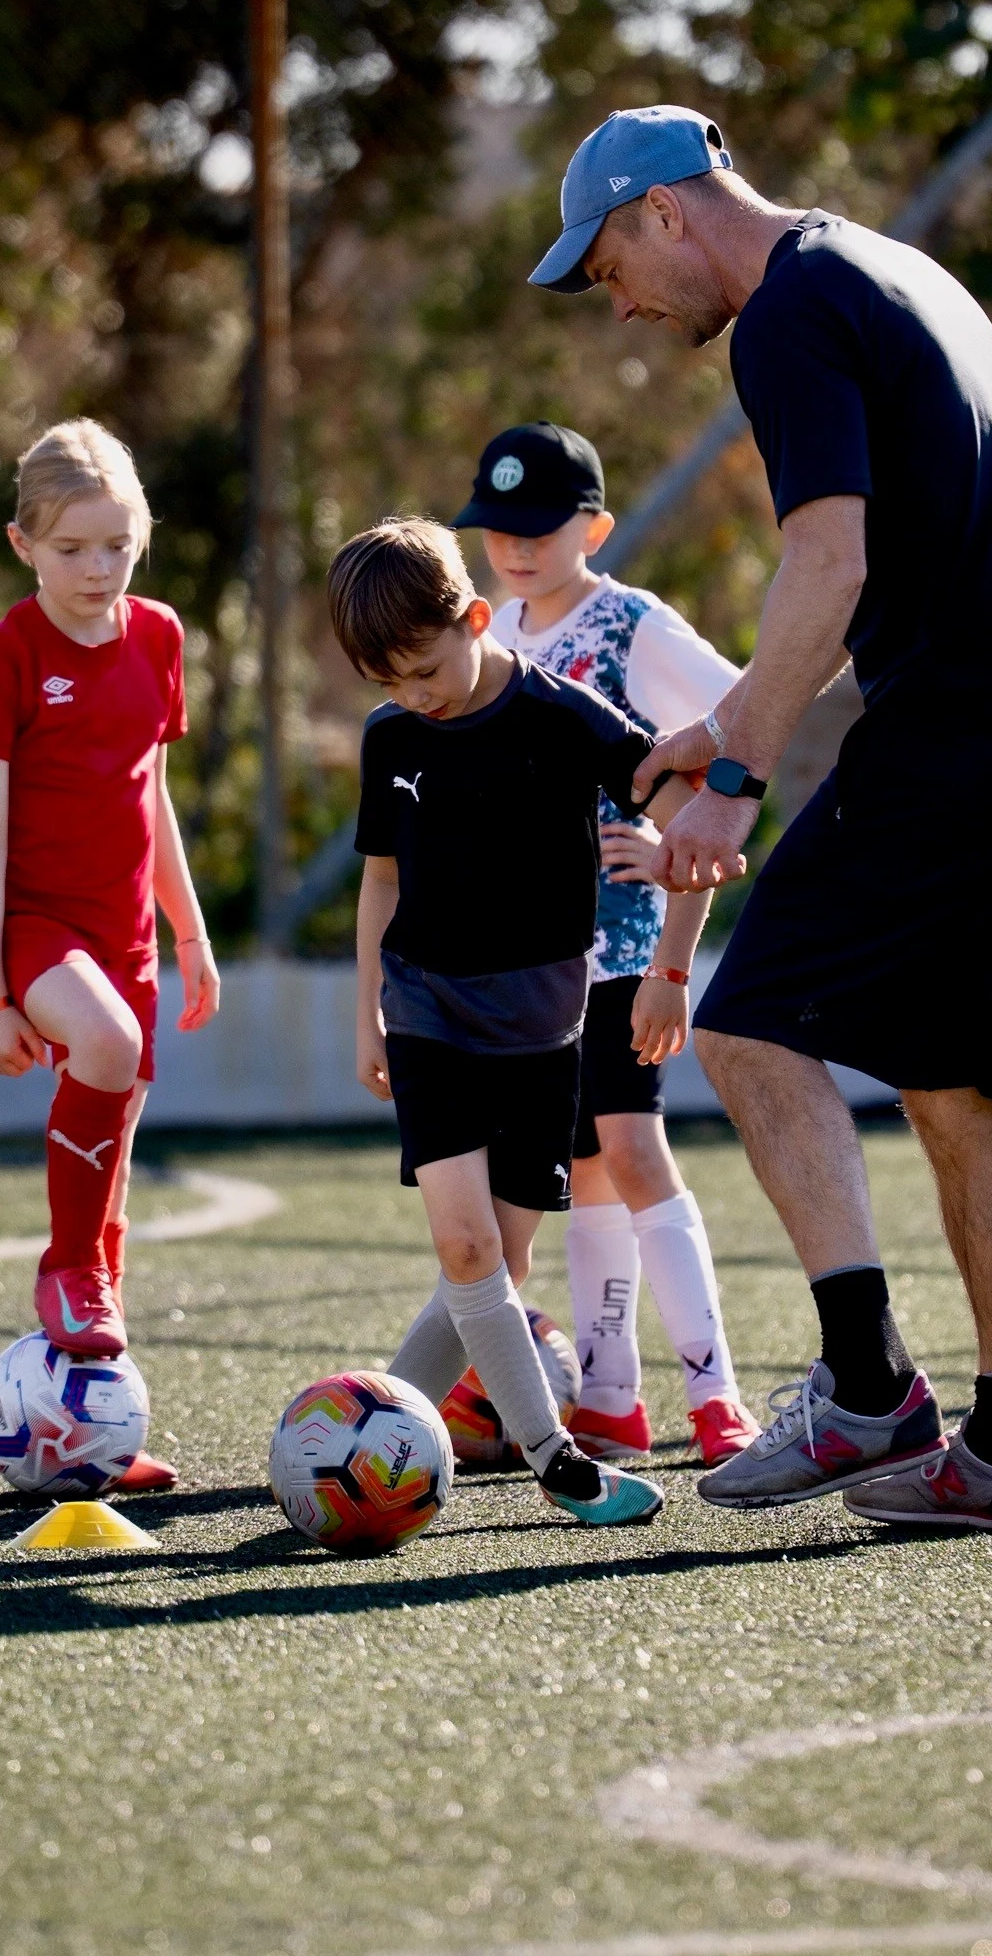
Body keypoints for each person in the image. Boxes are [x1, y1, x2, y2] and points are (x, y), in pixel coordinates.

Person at [529, 104, 992, 1533]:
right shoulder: (892, 268)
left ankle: (867, 1386)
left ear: (668, 209)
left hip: (967, 732)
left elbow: (831, 563)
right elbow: (909, 556)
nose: (615, 298)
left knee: (741, 1026)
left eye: (607, 260)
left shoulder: (785, 314)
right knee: (954, 1087)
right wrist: (728, 721)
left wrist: (733, 783)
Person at [329, 515, 706, 1527]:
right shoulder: (392, 738)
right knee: (464, 1251)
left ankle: (369, 1426)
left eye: (424, 667)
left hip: (545, 1036)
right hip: (427, 1016)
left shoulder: (562, 715)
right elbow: (381, 880)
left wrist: (677, 913)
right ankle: (557, 1461)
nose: (414, 696)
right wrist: (365, 1011)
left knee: (500, 1261)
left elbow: (690, 794)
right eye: (389, 681)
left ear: (478, 619)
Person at [456, 419, 758, 1468]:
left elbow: (744, 724)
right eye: (496, 527)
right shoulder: (488, 635)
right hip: (527, 974)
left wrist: (679, 895)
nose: (515, 545)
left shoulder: (635, 625)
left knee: (632, 1155)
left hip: (627, 958)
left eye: (539, 526)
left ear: (598, 525)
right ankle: (610, 1398)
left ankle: (717, 1393)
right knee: (578, 1173)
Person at [0, 419, 220, 1494]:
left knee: (113, 1188)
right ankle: (59, 1272)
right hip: (39, 931)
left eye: (116, 544)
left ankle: (96, 1425)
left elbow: (149, 795)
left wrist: (190, 934)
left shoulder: (158, 637)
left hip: (130, 938)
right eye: (72, 549)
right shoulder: (2, 658)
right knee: (102, 1049)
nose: (97, 569)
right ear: (24, 545)